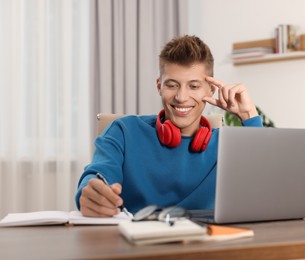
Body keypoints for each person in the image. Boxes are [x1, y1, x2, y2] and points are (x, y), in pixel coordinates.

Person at [75, 35, 262, 217]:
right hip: (136, 243)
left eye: (194, 86)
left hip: (206, 242)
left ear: (211, 89)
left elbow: (265, 187)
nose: (181, 97)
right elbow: (97, 175)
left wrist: (248, 115)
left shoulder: (228, 145)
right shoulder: (123, 131)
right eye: (172, 85)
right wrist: (91, 193)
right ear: (159, 86)